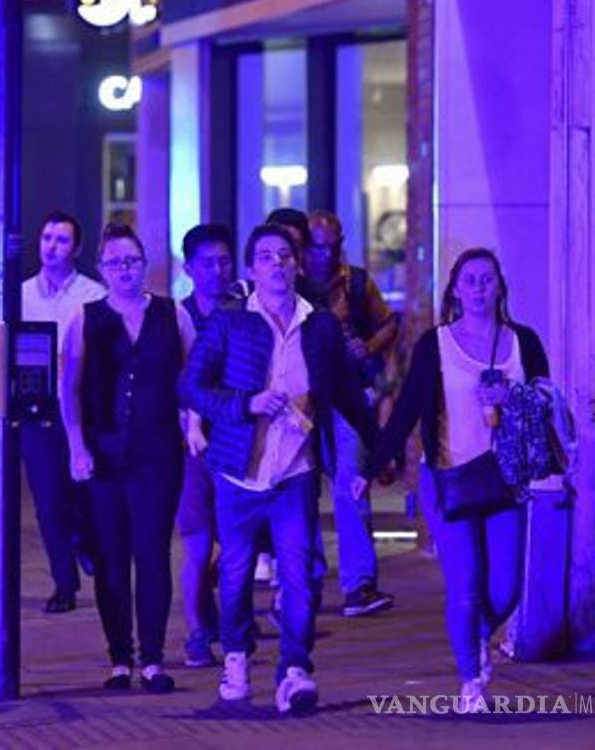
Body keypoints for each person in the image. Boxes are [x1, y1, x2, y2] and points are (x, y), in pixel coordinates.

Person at [180, 224, 378, 714]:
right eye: (265, 256)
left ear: (297, 264)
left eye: (285, 255)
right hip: (238, 473)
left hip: (296, 471)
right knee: (236, 571)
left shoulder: (320, 325)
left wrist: (378, 451)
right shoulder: (230, 321)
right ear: (252, 268)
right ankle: (236, 659)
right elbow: (191, 386)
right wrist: (245, 404)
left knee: (298, 574)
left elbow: (348, 393)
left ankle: (295, 670)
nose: (276, 264)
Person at [361, 247, 549, 711]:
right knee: (465, 586)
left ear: (500, 286)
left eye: (487, 279)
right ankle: (470, 682)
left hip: (506, 479)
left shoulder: (524, 342)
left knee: (505, 586)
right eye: (470, 280)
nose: (479, 288)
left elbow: (547, 402)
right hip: (448, 476)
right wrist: (371, 468)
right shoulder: (436, 344)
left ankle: (477, 634)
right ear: (456, 290)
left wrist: (512, 395)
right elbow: (406, 409)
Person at [61, 223, 196, 694]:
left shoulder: (172, 314)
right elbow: (69, 386)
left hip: (158, 452)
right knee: (111, 557)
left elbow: (191, 378)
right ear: (101, 269)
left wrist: (193, 424)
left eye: (132, 261)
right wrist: (76, 445)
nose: (124, 270)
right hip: (104, 452)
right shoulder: (87, 318)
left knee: (152, 551)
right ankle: (120, 658)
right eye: (115, 262)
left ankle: (153, 658)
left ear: (145, 265)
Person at [0, 212, 106, 613]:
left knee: (86, 492)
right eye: (47, 237)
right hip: (37, 410)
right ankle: (64, 583)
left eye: (62, 240)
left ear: (77, 249)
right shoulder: (17, 296)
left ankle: (85, 541)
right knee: (49, 499)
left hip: (84, 410)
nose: (51, 246)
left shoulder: (93, 295)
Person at [305, 210, 399, 616]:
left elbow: (389, 324)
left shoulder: (356, 282)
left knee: (351, 484)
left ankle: (359, 585)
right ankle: (303, 584)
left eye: (333, 246)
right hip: (304, 397)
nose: (326, 255)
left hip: (347, 394)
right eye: (318, 247)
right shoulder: (293, 282)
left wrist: (369, 347)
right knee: (302, 490)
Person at [176, 223, 236, 667]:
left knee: (237, 543)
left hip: (238, 440)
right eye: (207, 263)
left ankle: (229, 624)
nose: (217, 271)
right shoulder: (176, 318)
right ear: (189, 269)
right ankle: (197, 632)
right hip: (191, 446)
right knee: (197, 543)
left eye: (224, 261)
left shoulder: (247, 313)